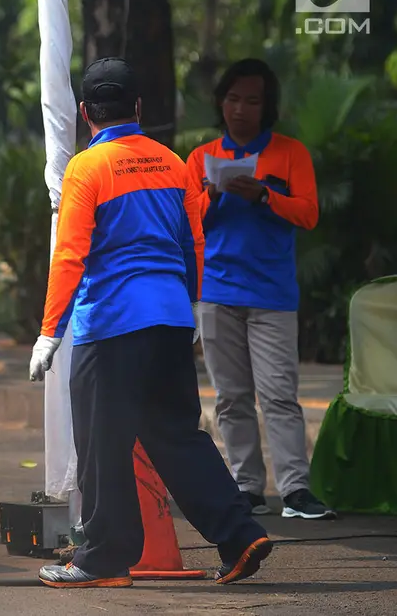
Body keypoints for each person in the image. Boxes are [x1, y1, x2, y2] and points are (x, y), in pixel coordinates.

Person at [29, 57, 271, 588]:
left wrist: (50, 331)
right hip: (168, 320)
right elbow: (195, 243)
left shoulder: (86, 169)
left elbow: (69, 255)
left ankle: (103, 559)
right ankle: (238, 533)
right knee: (178, 437)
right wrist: (187, 306)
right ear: (138, 107)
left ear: (86, 113)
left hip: (111, 326)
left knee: (101, 443)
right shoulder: (172, 161)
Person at [186, 59, 333, 520]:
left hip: (271, 295)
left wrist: (265, 195)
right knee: (230, 397)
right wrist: (212, 192)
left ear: (266, 106)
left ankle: (295, 491)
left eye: (252, 100)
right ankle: (247, 487)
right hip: (217, 292)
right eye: (232, 99)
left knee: (279, 395)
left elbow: (308, 213)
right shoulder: (200, 158)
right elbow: (187, 224)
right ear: (221, 103)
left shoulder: (290, 154)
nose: (240, 109)